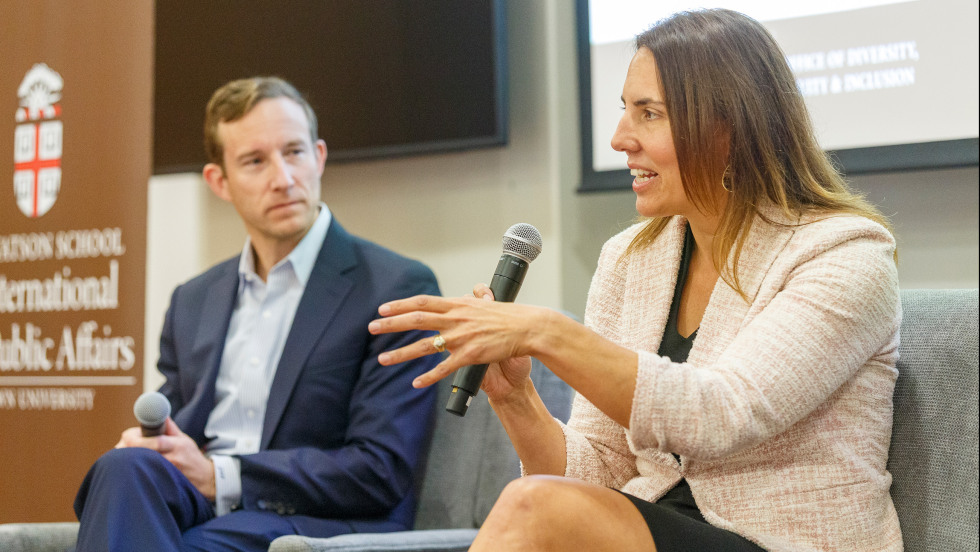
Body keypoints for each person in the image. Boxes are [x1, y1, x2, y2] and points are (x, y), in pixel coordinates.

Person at [370, 9, 902, 552]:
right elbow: (597, 473)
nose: (620, 139)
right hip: (654, 530)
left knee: (532, 507)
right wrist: (516, 399)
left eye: (650, 114)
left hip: (785, 542)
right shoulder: (629, 260)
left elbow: (723, 413)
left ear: (731, 129)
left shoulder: (845, 253)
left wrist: (546, 331)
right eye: (625, 110)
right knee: (539, 502)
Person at [72, 77, 442, 551]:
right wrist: (161, 448)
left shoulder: (395, 288)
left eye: (294, 153)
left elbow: (379, 470)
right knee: (123, 468)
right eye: (255, 161)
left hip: (320, 521)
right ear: (219, 181)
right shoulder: (193, 300)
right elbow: (181, 431)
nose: (283, 178)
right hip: (207, 506)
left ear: (320, 157)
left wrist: (221, 475)